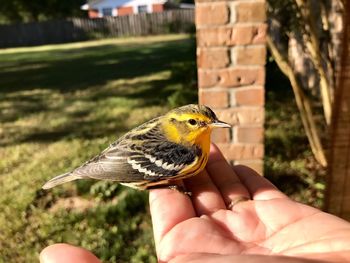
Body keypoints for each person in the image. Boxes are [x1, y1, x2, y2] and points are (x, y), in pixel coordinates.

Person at [40, 144, 350, 263]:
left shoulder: (192, 150)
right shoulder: (182, 153)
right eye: (194, 122)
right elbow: (133, 165)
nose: (206, 128)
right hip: (123, 167)